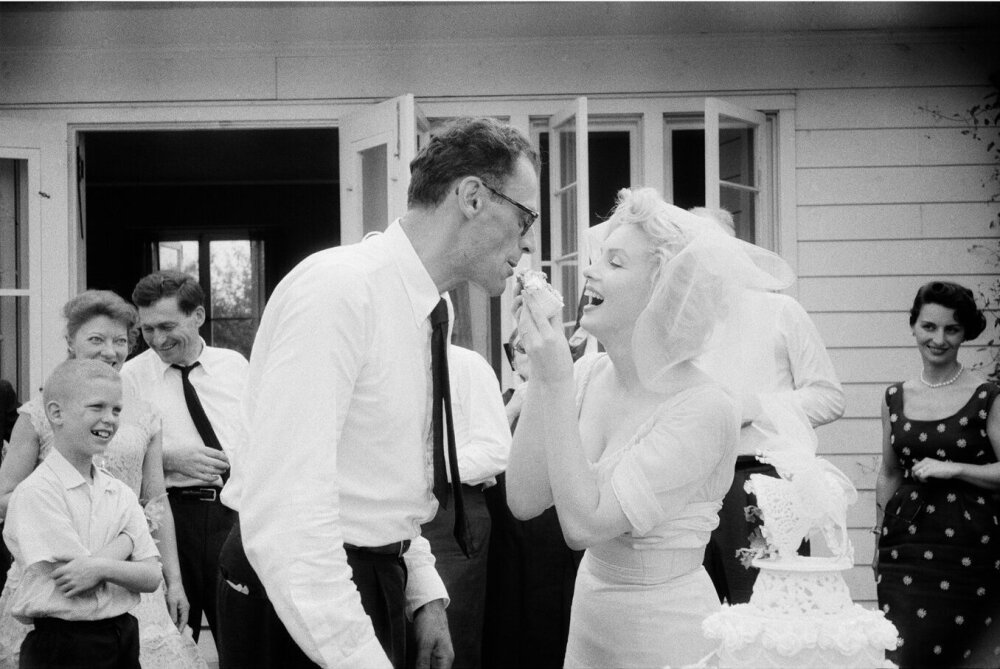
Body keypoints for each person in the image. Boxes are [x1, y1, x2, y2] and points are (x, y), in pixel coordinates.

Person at [216, 116, 539, 669]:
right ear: (472, 198)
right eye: (525, 217)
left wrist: (421, 591)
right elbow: (287, 513)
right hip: (299, 592)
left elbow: (380, 475)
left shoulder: (431, 307)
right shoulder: (339, 291)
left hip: (372, 574)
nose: (528, 244)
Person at [506, 187, 793, 668]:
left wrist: (553, 375)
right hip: (590, 619)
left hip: (663, 632)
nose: (590, 271)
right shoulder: (587, 375)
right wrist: (542, 372)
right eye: (598, 258)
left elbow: (583, 526)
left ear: (665, 293)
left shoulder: (704, 409)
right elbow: (524, 498)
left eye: (615, 263)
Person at [0, 290, 206, 669]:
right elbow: (7, 497)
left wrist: (173, 581)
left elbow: (156, 502)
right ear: (70, 341)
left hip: (129, 586)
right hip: (59, 588)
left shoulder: (142, 413)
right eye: (96, 339)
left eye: (121, 340)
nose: (110, 351)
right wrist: (77, 515)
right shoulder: (39, 415)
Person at [693, 206, 845, 605]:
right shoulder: (684, 327)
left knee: (766, 610)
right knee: (703, 617)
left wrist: (757, 407)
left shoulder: (781, 311)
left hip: (762, 482)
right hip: (692, 485)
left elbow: (829, 397)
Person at [3, 359, 162, 669]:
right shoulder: (37, 492)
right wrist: (128, 541)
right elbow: (77, 578)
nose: (110, 419)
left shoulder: (120, 493)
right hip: (62, 645)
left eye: (116, 410)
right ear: (56, 413)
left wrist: (101, 565)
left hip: (122, 634)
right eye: (97, 407)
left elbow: (152, 576)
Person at [875, 280, 1000, 668]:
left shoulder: (987, 395)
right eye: (929, 327)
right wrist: (878, 538)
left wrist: (956, 468)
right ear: (914, 326)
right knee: (905, 652)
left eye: (952, 329)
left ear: (964, 334)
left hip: (971, 547)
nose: (939, 339)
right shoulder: (895, 397)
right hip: (905, 548)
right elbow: (890, 472)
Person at [121, 271, 246, 648]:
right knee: (173, 639)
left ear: (199, 316)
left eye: (167, 326)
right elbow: (116, 456)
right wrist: (168, 459)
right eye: (147, 330)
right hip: (169, 522)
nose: (157, 340)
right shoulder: (130, 377)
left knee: (240, 638)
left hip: (233, 518)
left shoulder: (236, 367)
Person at [482, 332, 582, 669]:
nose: (531, 356)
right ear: (513, 357)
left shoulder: (566, 397)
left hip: (555, 528)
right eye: (522, 350)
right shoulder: (499, 400)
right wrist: (511, 409)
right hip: (508, 529)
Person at [416, 323, 510, 669]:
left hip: (455, 514)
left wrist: (428, 473)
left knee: (452, 634)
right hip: (395, 514)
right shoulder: (385, 368)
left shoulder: (468, 366)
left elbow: (497, 449)